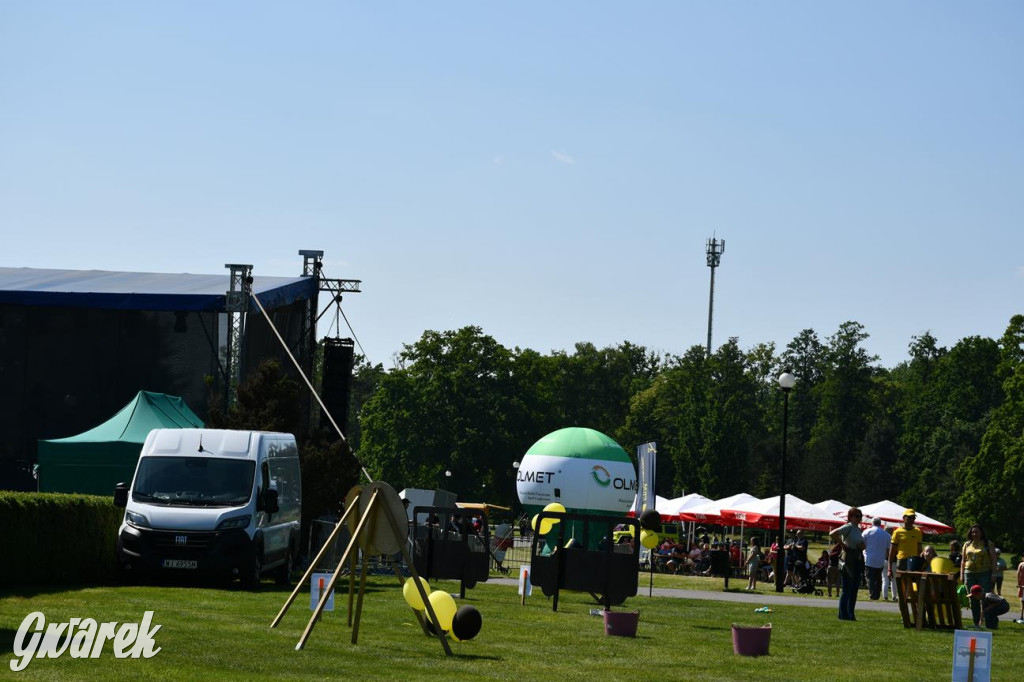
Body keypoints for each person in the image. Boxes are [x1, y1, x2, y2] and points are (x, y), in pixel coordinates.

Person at [830, 507, 866, 621]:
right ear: (850, 517)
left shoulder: (858, 529)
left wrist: (862, 546)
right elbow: (832, 533)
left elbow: (860, 543)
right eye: (857, 516)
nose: (859, 518)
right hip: (848, 560)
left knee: (854, 588)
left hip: (857, 558)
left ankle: (851, 614)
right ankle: (843, 614)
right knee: (847, 588)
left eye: (860, 516)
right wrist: (842, 544)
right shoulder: (848, 526)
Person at [961, 523, 998, 628]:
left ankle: (987, 621)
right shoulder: (967, 544)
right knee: (972, 598)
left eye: (976, 532)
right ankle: (976, 622)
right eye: (972, 532)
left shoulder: (987, 544)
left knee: (985, 598)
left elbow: (994, 559)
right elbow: (963, 560)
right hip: (969, 573)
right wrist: (962, 574)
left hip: (984, 573)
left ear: (981, 533)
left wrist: (994, 573)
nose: (974, 534)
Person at [888, 509, 924, 584]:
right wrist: (889, 569)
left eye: (913, 518)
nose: (912, 520)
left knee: (913, 584)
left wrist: (921, 563)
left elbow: (919, 550)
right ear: (904, 518)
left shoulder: (918, 531)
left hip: (914, 561)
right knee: (901, 585)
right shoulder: (897, 532)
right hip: (902, 561)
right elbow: (892, 551)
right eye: (909, 517)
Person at [861, 517, 890, 600]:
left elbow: (862, 544)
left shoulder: (866, 532)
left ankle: (872, 593)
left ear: (872, 523)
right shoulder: (886, 535)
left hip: (869, 559)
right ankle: (877, 594)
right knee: (878, 578)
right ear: (880, 524)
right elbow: (888, 549)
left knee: (870, 578)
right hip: (880, 559)